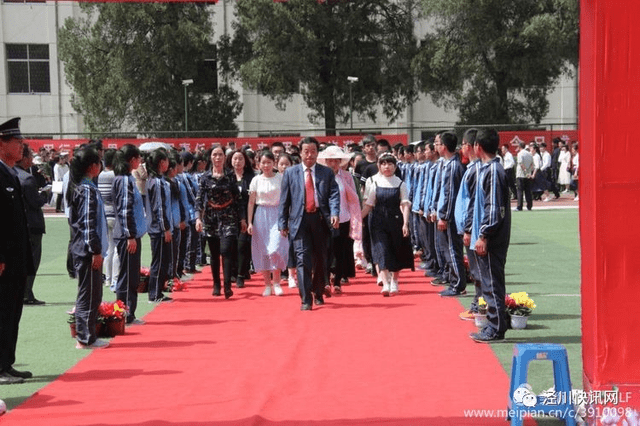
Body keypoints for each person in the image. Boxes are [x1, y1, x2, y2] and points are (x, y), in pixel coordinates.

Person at [278, 137, 340, 311]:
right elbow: (284, 200)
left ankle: (318, 291)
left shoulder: (326, 172)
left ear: (317, 153)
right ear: (300, 152)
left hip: (320, 220)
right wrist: (282, 222)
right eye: (306, 151)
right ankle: (305, 299)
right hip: (299, 221)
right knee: (302, 259)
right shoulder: (291, 173)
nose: (310, 155)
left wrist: (334, 213)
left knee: (321, 259)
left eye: (313, 151)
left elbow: (334, 194)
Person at [0, 118, 35, 383]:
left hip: (16, 259)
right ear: (2, 144)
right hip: (4, 260)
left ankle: (6, 363)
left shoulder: (11, 172)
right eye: (16, 141)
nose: (22, 145)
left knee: (13, 312)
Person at [469, 128, 511, 343]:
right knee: (490, 280)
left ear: (478, 146)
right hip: (492, 234)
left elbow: (493, 208)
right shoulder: (490, 169)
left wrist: (484, 234)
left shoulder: (493, 171)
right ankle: (498, 321)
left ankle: (495, 328)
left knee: (492, 282)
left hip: (492, 236)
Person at [67, 146, 110, 349]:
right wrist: (95, 250)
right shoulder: (86, 189)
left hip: (88, 249)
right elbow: (87, 223)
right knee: (88, 294)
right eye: (99, 162)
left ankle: (89, 335)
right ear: (94, 166)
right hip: (87, 251)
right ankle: (84, 338)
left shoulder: (87, 187)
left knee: (94, 293)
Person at [195, 145, 247, 299]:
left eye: (220, 155)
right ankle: (216, 283)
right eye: (214, 155)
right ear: (210, 157)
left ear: (225, 158)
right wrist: (198, 218)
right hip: (211, 218)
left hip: (228, 216)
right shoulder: (204, 177)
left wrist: (242, 219)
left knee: (226, 250)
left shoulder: (231, 176)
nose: (217, 158)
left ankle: (227, 285)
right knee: (214, 252)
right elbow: (199, 199)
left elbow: (238, 200)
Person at [362, 153, 413, 296]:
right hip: (378, 223)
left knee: (395, 251)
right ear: (379, 166)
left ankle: (395, 281)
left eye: (390, 164)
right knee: (381, 251)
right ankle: (385, 283)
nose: (387, 167)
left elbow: (404, 204)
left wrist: (405, 223)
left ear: (395, 166)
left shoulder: (401, 184)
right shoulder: (375, 183)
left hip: (395, 221)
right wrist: (358, 219)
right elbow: (369, 205)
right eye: (383, 164)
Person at [318, 146, 361, 295]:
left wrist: (355, 219)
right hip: (325, 219)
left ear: (340, 161)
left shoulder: (347, 176)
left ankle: (336, 281)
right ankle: (324, 281)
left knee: (340, 251)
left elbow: (354, 199)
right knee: (326, 250)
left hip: (344, 218)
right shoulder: (320, 176)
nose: (332, 163)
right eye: (329, 160)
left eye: (335, 160)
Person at [112, 144, 147, 326]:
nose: (140, 162)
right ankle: (125, 314)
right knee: (128, 276)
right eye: (139, 158)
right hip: (127, 235)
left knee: (130, 275)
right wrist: (130, 235)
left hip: (128, 233)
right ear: (132, 160)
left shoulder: (124, 178)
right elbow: (125, 210)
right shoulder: (125, 180)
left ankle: (127, 313)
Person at [247, 151, 289, 297]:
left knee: (275, 249)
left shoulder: (281, 178)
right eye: (263, 163)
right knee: (263, 251)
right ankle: (267, 284)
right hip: (261, 215)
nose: (266, 166)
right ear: (259, 164)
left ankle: (277, 282)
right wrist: (250, 222)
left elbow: (286, 200)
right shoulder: (256, 180)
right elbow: (251, 202)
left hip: (277, 214)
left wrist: (286, 218)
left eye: (269, 162)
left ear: (274, 163)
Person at [433, 132, 467, 297]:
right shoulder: (447, 164)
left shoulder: (453, 166)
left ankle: (458, 284)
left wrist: (444, 216)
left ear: (444, 147)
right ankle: (454, 281)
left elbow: (450, 194)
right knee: (447, 249)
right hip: (447, 215)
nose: (436, 147)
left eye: (438, 144)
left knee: (453, 250)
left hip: (451, 217)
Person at [15, 143, 47, 305]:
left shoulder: (11, 174)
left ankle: (21, 293)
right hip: (32, 225)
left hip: (17, 224)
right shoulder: (27, 179)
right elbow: (35, 202)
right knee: (32, 261)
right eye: (30, 157)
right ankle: (27, 294)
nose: (32, 161)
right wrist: (45, 195)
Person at [145, 149, 174, 303]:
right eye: (167, 161)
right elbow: (159, 207)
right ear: (162, 163)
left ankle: (158, 291)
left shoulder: (158, 180)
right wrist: (166, 228)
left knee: (163, 261)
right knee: (159, 261)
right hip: (158, 229)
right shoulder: (157, 182)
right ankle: (154, 294)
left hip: (159, 227)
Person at [227, 149, 255, 288]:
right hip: (229, 217)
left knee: (242, 245)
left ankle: (241, 275)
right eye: (235, 159)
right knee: (230, 245)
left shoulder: (251, 177)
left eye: (240, 159)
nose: (237, 161)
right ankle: (232, 272)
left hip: (247, 215)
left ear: (245, 162)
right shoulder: (227, 177)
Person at [97, 148, 119, 291]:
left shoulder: (101, 175)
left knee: (109, 248)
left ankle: (108, 278)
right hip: (115, 214)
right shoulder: (114, 175)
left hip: (105, 213)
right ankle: (115, 278)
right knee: (117, 248)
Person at [277, 153, 299, 288]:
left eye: (287, 164)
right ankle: (279, 273)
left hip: (292, 216)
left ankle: (291, 275)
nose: (284, 167)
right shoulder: (273, 178)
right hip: (275, 215)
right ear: (276, 165)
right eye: (281, 164)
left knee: (291, 247)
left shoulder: (295, 178)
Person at [515, 141, 534, 211]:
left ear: (519, 147)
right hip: (528, 175)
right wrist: (529, 172)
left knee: (520, 191)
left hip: (521, 174)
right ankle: (529, 206)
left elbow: (521, 164)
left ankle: (519, 206)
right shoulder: (529, 154)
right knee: (528, 191)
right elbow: (532, 164)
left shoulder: (520, 154)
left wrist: (525, 171)